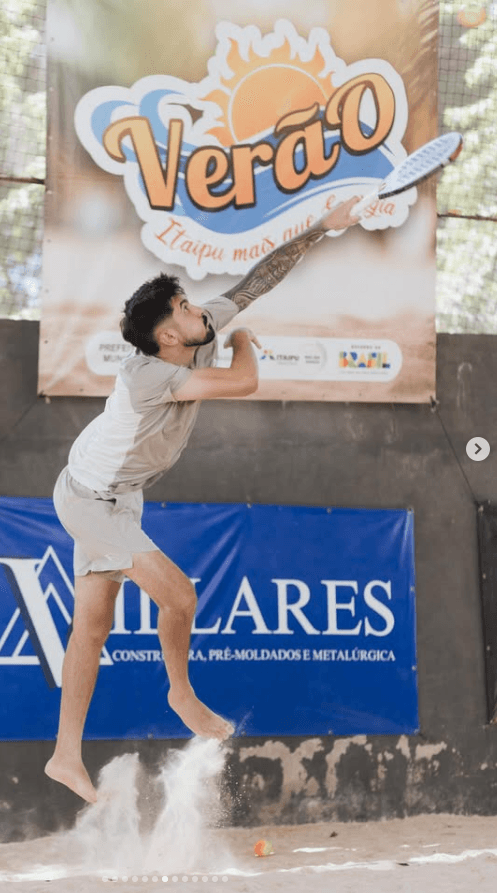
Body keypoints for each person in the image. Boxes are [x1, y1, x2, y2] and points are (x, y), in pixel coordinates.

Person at [45, 197, 362, 803]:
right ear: (168, 335)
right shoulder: (149, 375)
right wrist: (245, 340)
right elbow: (244, 380)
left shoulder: (195, 331)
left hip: (120, 497)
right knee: (180, 595)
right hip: (87, 498)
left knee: (91, 628)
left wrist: (323, 228)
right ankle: (180, 695)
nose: (200, 309)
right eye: (186, 307)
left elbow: (257, 277)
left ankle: (64, 756)